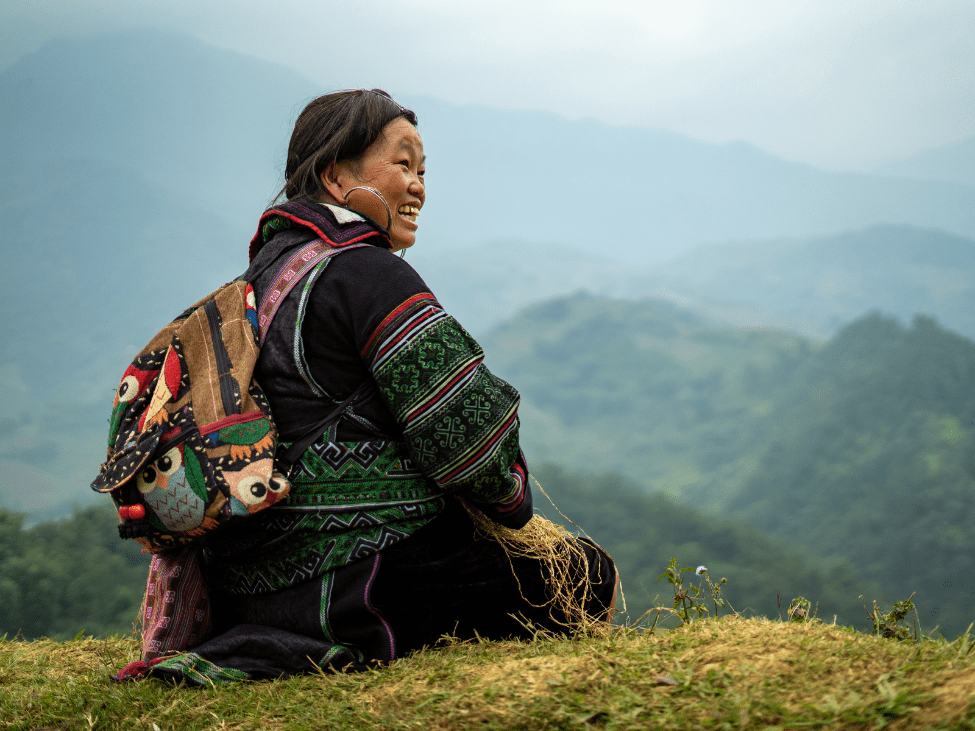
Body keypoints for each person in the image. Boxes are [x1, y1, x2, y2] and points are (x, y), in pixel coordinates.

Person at [126, 89, 617, 685]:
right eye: (402, 164)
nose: (419, 187)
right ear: (336, 176)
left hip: (243, 597)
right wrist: (511, 498)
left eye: (423, 170)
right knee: (584, 573)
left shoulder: (249, 290)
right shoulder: (367, 273)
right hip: (361, 589)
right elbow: (470, 446)